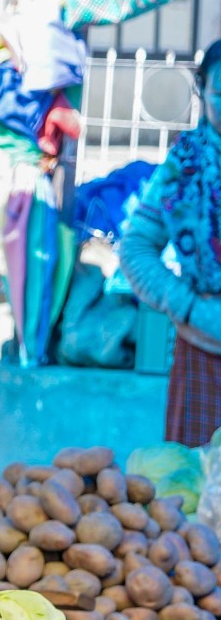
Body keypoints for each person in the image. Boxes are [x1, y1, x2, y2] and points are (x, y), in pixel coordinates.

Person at [116, 42, 221, 444]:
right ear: (201, 89)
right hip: (203, 354)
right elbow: (136, 248)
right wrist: (190, 307)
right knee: (196, 476)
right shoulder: (184, 166)